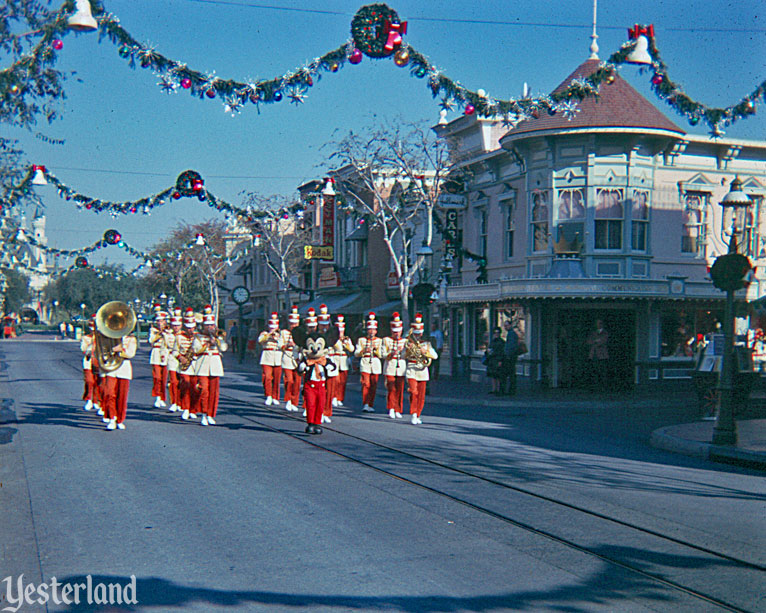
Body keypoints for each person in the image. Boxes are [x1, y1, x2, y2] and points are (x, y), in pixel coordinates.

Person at [195, 310, 228, 426]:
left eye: (211, 325)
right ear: (203, 326)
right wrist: (207, 345)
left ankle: (210, 414)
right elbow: (196, 349)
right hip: (203, 366)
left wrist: (217, 341)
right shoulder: (198, 337)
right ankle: (203, 414)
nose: (209, 327)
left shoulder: (218, 337)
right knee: (204, 390)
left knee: (214, 392)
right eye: (207, 325)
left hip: (215, 366)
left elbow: (224, 348)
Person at [405, 313, 438, 424]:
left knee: (421, 395)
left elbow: (435, 356)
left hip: (423, 371)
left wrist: (426, 352)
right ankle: (413, 413)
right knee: (413, 391)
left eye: (419, 334)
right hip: (411, 369)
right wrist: (408, 350)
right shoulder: (408, 343)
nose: (417, 336)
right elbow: (402, 356)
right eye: (415, 334)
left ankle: (418, 414)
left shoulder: (427, 344)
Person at [102, 327, 138, 431]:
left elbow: (131, 354)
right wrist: (111, 351)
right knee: (109, 393)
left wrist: (121, 350)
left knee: (122, 396)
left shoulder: (131, 339)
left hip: (124, 367)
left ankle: (120, 419)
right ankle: (112, 418)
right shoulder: (108, 337)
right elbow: (103, 353)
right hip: (111, 367)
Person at [355, 312, 383, 412]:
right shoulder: (361, 340)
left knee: (373, 384)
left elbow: (382, 354)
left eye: (373, 330)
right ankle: (365, 403)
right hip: (365, 362)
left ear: (376, 331)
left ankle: (371, 403)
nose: (371, 332)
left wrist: (376, 349)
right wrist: (364, 350)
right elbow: (356, 353)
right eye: (370, 330)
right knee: (365, 383)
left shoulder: (379, 340)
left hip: (375, 362)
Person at [381, 312, 407, 419]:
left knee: (400, 389)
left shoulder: (405, 341)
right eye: (395, 331)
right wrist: (392, 353)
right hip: (390, 367)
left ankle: (398, 409)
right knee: (391, 388)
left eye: (399, 331)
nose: (397, 334)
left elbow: (407, 356)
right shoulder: (386, 340)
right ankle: (391, 408)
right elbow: (383, 354)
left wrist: (405, 351)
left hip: (401, 367)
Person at [327, 314, 354, 418]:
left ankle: (340, 398)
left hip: (344, 360)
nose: (341, 332)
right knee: (336, 380)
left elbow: (351, 349)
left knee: (343, 381)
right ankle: (334, 396)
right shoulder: (334, 339)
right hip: (336, 359)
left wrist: (346, 343)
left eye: (342, 330)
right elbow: (333, 348)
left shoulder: (347, 339)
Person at [280, 306, 301, 412]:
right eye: (292, 323)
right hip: (287, 357)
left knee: (297, 382)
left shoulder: (301, 332)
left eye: (295, 323)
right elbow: (280, 345)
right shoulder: (284, 333)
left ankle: (295, 402)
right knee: (289, 380)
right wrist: (287, 345)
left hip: (297, 358)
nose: (294, 325)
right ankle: (288, 400)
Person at [258, 311, 283, 406]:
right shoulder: (264, 333)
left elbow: (282, 345)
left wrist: (277, 339)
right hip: (266, 357)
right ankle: (268, 395)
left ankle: (275, 396)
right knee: (267, 377)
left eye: (274, 327)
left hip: (277, 357)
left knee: (276, 379)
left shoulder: (280, 335)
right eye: (271, 327)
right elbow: (260, 340)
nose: (273, 329)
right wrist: (269, 335)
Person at [149, 308, 170, 409]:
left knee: (164, 377)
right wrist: (159, 334)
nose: (159, 323)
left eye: (161, 321)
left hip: (165, 353)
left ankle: (162, 397)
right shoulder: (153, 330)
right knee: (157, 377)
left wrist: (165, 333)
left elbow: (169, 343)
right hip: (156, 353)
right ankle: (157, 396)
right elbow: (151, 341)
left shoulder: (169, 330)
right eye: (158, 321)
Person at [80, 316, 100, 411]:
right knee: (89, 381)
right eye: (91, 327)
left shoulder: (102, 339)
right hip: (88, 361)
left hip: (99, 362)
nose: (93, 329)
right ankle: (88, 399)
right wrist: (91, 343)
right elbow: (83, 349)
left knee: (98, 381)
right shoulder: (86, 338)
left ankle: (96, 400)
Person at [165, 310, 183, 412]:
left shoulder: (184, 335)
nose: (176, 327)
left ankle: (181, 402)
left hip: (181, 359)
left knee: (182, 382)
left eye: (178, 325)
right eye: (174, 325)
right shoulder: (168, 335)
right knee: (173, 381)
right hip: (172, 359)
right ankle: (174, 402)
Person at [586, 318, 609, 389]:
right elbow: (588, 342)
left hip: (602, 355)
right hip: (593, 355)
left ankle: (603, 387)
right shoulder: (593, 333)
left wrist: (596, 341)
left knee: (602, 371)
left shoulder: (605, 333)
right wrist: (596, 341)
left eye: (599, 323)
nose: (598, 325)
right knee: (594, 371)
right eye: (597, 323)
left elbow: (603, 341)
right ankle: (594, 386)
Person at [485, 327, 505, 394]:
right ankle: (494, 389)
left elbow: (502, 352)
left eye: (498, 333)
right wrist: (488, 352)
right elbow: (489, 349)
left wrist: (500, 361)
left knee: (498, 376)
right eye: (495, 333)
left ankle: (499, 390)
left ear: (500, 333)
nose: (496, 334)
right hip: (492, 360)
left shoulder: (501, 342)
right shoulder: (493, 341)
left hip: (497, 360)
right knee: (493, 375)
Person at [502, 319, 519, 396]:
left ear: (510, 325)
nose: (505, 327)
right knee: (511, 374)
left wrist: (507, 355)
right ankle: (511, 390)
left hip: (510, 357)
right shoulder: (511, 333)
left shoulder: (511, 334)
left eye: (507, 325)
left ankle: (511, 390)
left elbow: (511, 346)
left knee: (509, 374)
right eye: (504, 326)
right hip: (511, 357)